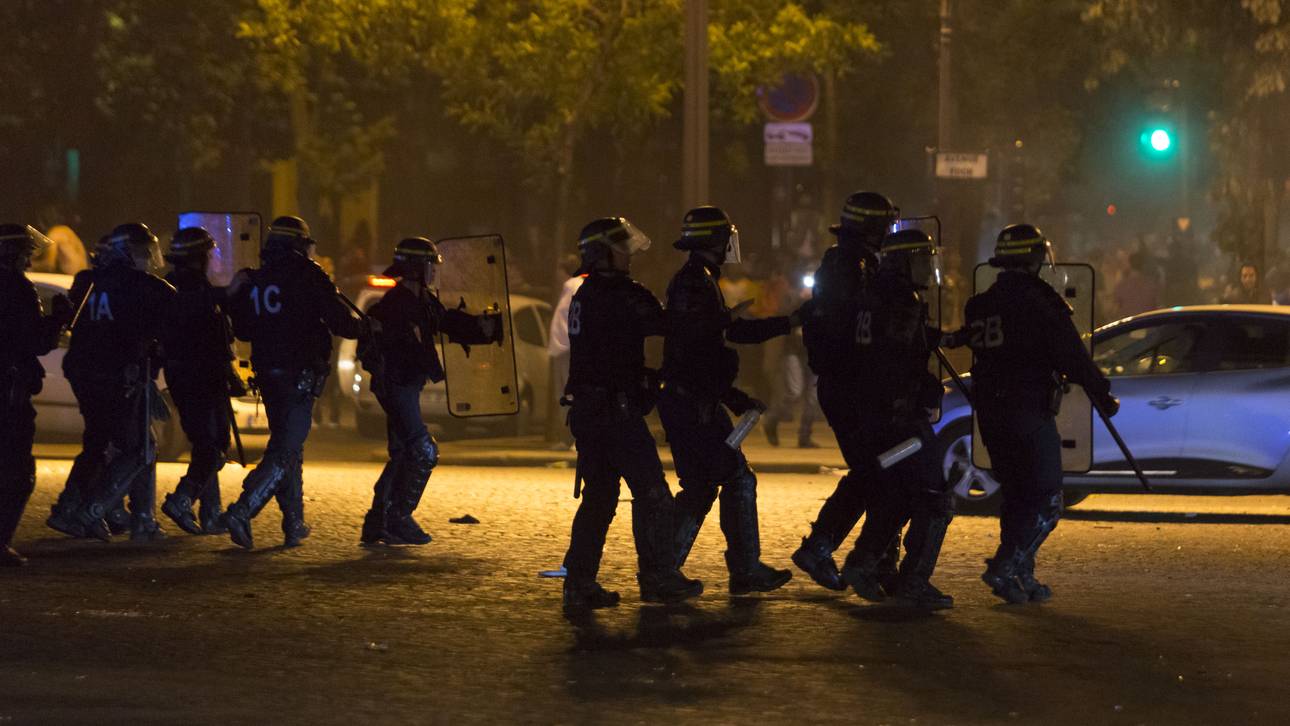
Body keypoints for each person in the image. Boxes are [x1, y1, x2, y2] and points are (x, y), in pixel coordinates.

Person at [952, 224, 1118, 604]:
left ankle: (1019, 576)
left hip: (991, 413)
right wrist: (1102, 393)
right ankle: (1006, 566)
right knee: (1046, 498)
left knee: (1017, 498)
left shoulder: (980, 305)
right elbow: (1072, 356)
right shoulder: (1041, 304)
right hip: (1028, 411)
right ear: (1035, 259)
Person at [560, 217, 703, 613]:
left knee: (600, 498)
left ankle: (579, 583)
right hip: (616, 412)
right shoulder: (623, 294)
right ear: (603, 253)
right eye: (621, 249)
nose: (629, 256)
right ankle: (658, 577)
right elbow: (667, 326)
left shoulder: (585, 293)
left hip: (589, 411)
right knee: (652, 493)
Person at [658, 206, 798, 595]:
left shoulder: (698, 280)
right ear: (715, 241)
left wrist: (788, 322)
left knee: (702, 486)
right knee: (735, 478)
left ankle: (663, 570)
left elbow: (724, 336)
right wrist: (730, 395)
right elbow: (699, 349)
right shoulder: (695, 283)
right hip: (695, 405)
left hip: (694, 400)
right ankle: (742, 569)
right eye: (725, 239)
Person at [222, 216, 369, 549]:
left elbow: (242, 329)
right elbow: (341, 322)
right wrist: (367, 328)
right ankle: (243, 509)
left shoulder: (256, 278)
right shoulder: (309, 274)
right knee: (286, 448)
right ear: (301, 245)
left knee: (288, 446)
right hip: (299, 371)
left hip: (267, 372)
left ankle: (294, 522)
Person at [829, 228, 953, 609]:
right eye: (922, 259)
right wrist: (929, 390)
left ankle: (863, 564)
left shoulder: (871, 294)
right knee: (935, 496)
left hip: (872, 415)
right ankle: (912, 581)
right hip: (901, 420)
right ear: (904, 262)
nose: (928, 267)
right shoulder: (903, 300)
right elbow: (899, 360)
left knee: (896, 493)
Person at [791, 191, 900, 591]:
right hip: (852, 386)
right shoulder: (851, 267)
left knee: (881, 470)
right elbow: (857, 328)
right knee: (876, 471)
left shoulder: (851, 263)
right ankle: (826, 548)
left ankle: (879, 562)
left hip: (853, 384)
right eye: (885, 225)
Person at [358, 237, 499, 546]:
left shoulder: (421, 299)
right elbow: (391, 346)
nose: (434, 271)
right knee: (422, 451)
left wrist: (481, 328)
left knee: (402, 454)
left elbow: (445, 320)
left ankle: (378, 521)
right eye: (429, 265)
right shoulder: (396, 304)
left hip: (406, 384)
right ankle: (399, 518)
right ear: (416, 268)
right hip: (397, 384)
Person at [50, 223, 175, 542]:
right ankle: (92, 509)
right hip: (119, 375)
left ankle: (69, 507)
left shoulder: (88, 281)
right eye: (142, 251)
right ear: (126, 252)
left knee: (97, 443)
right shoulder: (145, 286)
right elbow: (167, 321)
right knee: (139, 448)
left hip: (84, 372)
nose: (148, 258)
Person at [157, 227, 239, 536]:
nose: (210, 259)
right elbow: (196, 317)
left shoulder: (196, 285)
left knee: (213, 444)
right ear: (197, 257)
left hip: (205, 375)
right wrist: (228, 294)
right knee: (211, 445)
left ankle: (210, 512)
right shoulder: (180, 288)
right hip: (196, 376)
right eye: (207, 253)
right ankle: (183, 498)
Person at [0, 225, 71, 564]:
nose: (29, 261)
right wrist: (58, 318)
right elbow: (35, 341)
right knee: (16, 471)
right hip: (9, 392)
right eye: (26, 254)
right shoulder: (17, 288)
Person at [545, 254, 585, 448]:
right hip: (567, 348)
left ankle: (571, 437)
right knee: (567, 394)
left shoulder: (572, 286)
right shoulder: (578, 285)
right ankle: (570, 437)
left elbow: (566, 320)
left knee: (566, 395)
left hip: (565, 349)